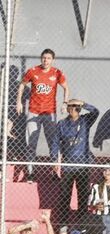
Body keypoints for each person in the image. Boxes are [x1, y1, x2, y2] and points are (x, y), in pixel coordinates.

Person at [16, 48, 69, 182]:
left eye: (49, 58)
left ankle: (54, 172)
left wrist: (65, 103)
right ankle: (30, 172)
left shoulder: (57, 73)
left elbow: (66, 88)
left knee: (53, 143)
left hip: (49, 113)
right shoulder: (33, 71)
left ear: (53, 60)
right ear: (41, 58)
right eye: (44, 58)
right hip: (34, 111)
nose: (46, 60)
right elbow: (22, 85)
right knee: (31, 143)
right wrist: (19, 102)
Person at [50, 99, 99, 234]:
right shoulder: (62, 124)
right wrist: (54, 160)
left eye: (76, 107)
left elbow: (96, 112)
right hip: (68, 166)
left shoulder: (85, 121)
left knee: (83, 197)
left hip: (83, 165)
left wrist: (84, 103)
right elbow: (55, 143)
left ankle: (81, 226)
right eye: (71, 107)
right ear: (67, 109)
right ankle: (63, 225)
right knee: (65, 196)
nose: (73, 109)